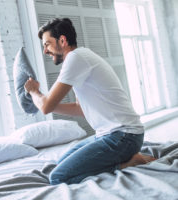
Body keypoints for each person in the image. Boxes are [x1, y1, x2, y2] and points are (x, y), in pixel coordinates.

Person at [24, 18, 156, 185]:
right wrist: (47, 103)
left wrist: (33, 91)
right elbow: (80, 108)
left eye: (47, 44)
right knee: (61, 163)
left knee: (58, 177)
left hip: (123, 136)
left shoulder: (75, 59)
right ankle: (126, 156)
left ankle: (127, 163)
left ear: (62, 41)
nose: (45, 51)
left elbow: (45, 107)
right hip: (114, 134)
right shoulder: (81, 57)